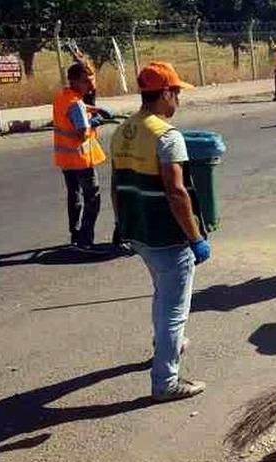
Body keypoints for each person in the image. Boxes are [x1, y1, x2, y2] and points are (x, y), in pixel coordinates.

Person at [111, 62, 209, 401]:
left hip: (139, 231)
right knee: (174, 311)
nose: (178, 100)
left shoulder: (124, 130)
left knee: (162, 293)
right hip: (167, 236)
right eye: (176, 93)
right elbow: (176, 192)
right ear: (165, 93)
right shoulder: (167, 136)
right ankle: (165, 382)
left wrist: (121, 224)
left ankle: (165, 344)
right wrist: (196, 238)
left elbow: (116, 184)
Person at [52, 62, 111, 251]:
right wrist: (94, 122)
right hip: (81, 159)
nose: (91, 85)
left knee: (74, 195)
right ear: (74, 81)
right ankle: (85, 240)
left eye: (92, 80)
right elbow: (82, 134)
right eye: (86, 81)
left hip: (65, 159)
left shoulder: (63, 97)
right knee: (92, 199)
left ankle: (76, 234)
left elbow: (78, 107)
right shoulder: (76, 104)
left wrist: (95, 109)